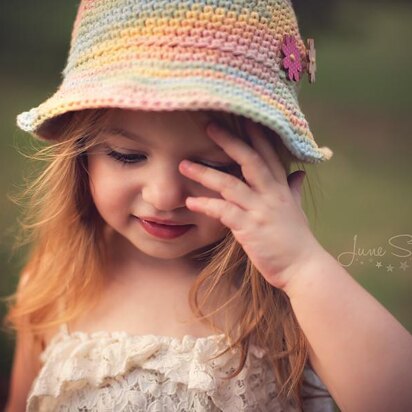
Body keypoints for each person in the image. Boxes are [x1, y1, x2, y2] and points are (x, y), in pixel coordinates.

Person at [3, 0, 412, 411]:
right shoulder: (59, 277)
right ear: (81, 154)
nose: (164, 197)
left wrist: (302, 267)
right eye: (127, 155)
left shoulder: (287, 299)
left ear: (267, 166)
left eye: (210, 165)